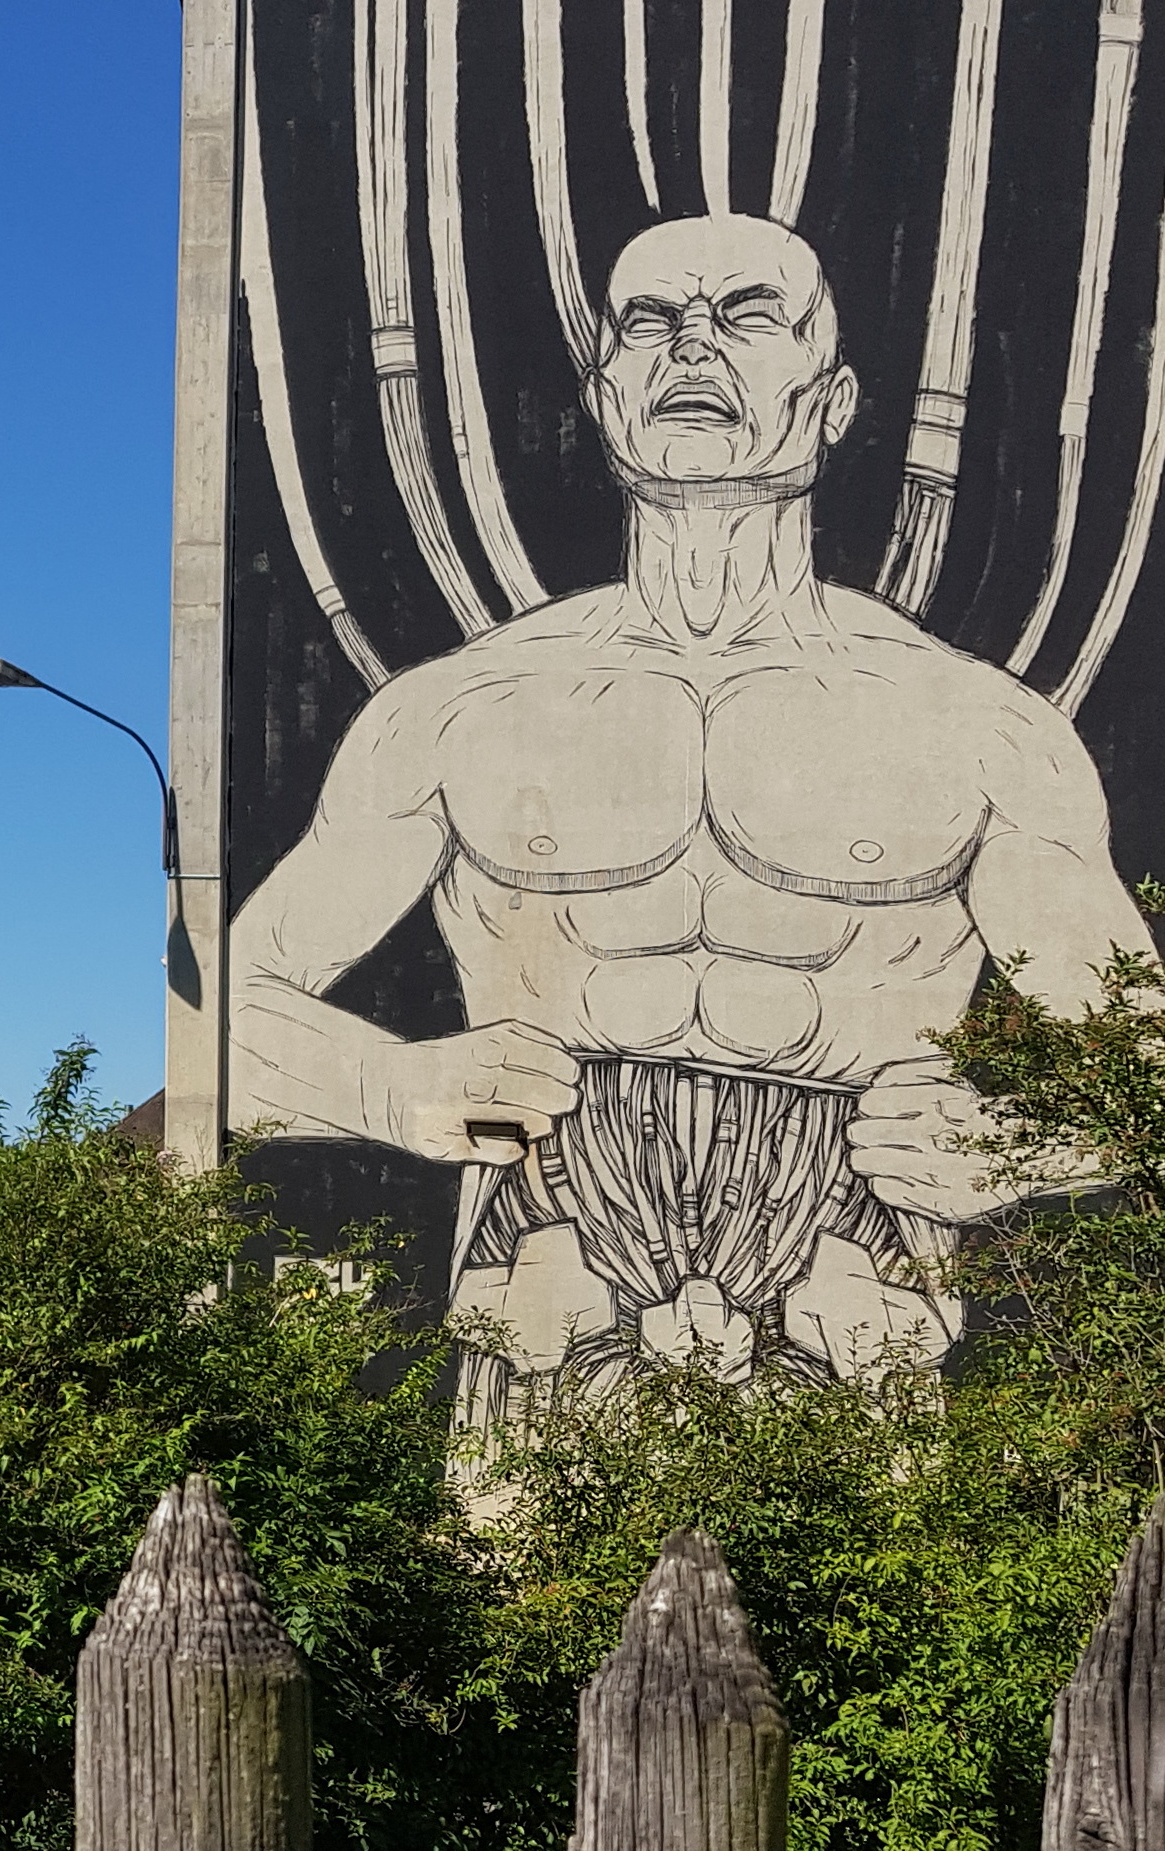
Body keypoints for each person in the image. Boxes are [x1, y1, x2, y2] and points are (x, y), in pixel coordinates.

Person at [227, 213, 1152, 1411]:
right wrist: (387, 1087)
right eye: (649, 322)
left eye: (748, 317)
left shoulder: (975, 727)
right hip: (547, 1270)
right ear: (602, 397)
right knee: (516, 1538)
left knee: (854, 1542)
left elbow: (1141, 1067)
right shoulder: (453, 711)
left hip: (855, 1280)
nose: (691, 347)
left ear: (832, 400)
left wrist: (1014, 1145)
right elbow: (211, 1023)